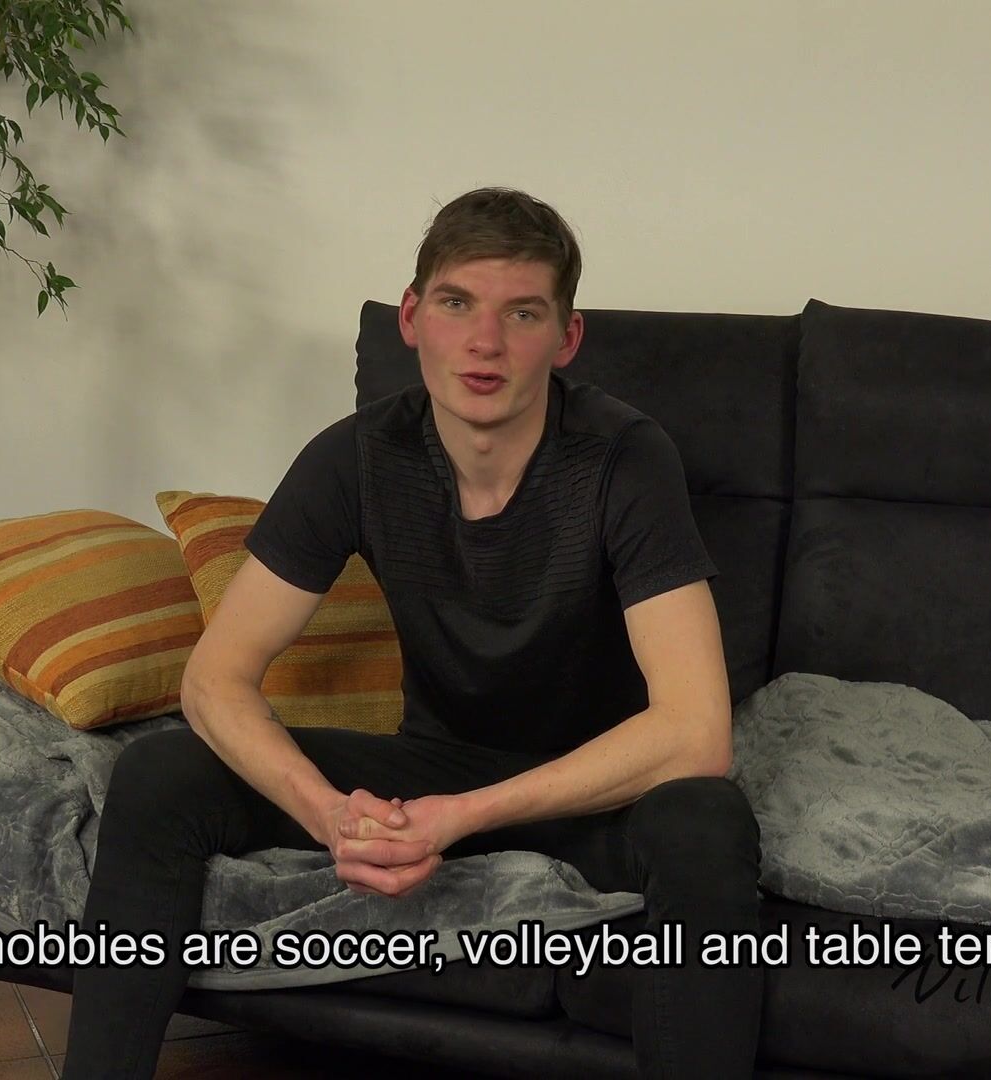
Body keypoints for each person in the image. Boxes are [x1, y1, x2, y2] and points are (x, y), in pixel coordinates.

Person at [62, 187, 763, 1079]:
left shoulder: (625, 457)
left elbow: (696, 732)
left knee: (706, 819)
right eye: (457, 303)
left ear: (567, 337)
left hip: (597, 790)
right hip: (434, 765)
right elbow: (214, 680)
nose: (484, 342)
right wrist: (329, 814)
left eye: (522, 313)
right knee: (161, 771)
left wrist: (464, 817)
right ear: (411, 317)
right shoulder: (356, 455)